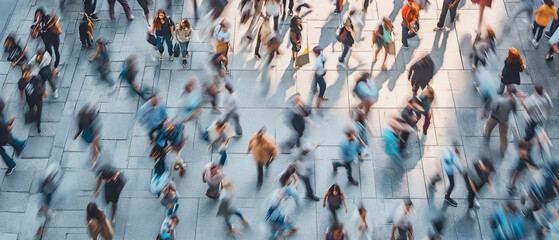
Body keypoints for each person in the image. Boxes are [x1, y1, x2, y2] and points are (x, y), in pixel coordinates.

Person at [484, 89, 517, 155]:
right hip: (504, 120)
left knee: (488, 126)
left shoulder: (500, 99)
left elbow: (493, 107)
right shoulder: (513, 102)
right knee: (503, 136)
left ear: (508, 92)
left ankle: (487, 133)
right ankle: (503, 150)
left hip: (495, 117)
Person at [0, 99, 26, 176]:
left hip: (2, 136)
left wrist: (13, 120)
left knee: (2, 152)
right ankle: (20, 145)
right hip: (4, 134)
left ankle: (11, 165)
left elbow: (9, 128)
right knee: (10, 139)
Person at [18, 66, 46, 133]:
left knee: (39, 112)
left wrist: (44, 92)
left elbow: (42, 84)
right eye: (26, 73)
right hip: (30, 99)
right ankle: (33, 116)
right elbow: (21, 91)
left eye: (29, 73)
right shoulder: (22, 82)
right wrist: (23, 100)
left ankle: (38, 126)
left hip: (38, 99)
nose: (28, 74)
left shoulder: (36, 78)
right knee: (31, 109)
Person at [73, 104, 102, 168]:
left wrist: (75, 136)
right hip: (91, 136)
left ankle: (94, 158)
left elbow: (79, 130)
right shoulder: (90, 119)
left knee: (94, 146)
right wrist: (98, 146)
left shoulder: (81, 121)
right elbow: (95, 136)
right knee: (95, 149)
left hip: (86, 136)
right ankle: (93, 161)